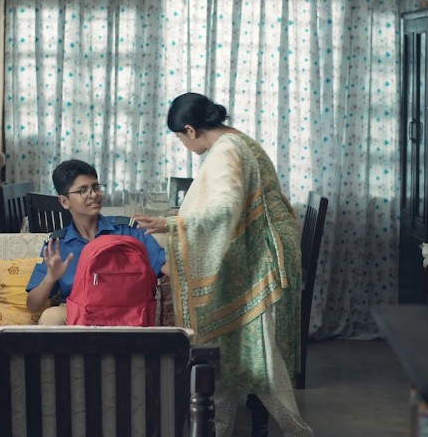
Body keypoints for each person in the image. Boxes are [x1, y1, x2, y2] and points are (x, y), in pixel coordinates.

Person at [134, 93, 314, 436]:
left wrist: (173, 224)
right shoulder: (237, 140)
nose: (184, 145)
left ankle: (297, 431)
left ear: (190, 130)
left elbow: (225, 208)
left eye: (180, 138)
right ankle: (218, 428)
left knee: (258, 354)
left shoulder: (226, 151)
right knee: (232, 347)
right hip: (263, 249)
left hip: (261, 257)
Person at [26, 159, 168, 325]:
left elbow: (164, 266)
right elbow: (33, 305)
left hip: (127, 312)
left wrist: (178, 229)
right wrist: (50, 277)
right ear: (64, 201)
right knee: (50, 316)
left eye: (96, 187)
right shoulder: (57, 244)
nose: (93, 195)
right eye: (83, 190)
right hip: (80, 313)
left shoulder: (128, 231)